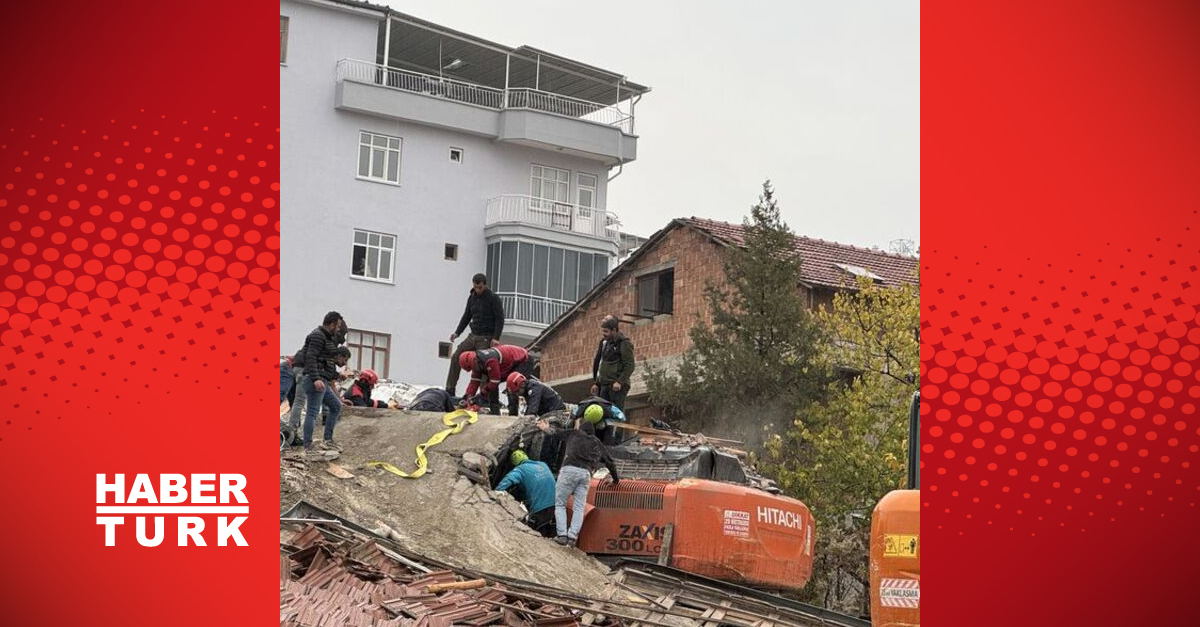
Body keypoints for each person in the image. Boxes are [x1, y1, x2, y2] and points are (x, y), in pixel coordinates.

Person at [536, 419, 620, 546]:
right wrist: (616, 479)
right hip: (586, 474)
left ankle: (562, 535)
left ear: (581, 428)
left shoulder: (574, 434)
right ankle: (572, 537)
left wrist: (545, 428)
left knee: (560, 504)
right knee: (579, 507)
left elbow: (556, 433)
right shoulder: (596, 442)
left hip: (568, 470)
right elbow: (610, 462)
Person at [446, 273, 505, 395]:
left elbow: (500, 318)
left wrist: (496, 338)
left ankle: (483, 395)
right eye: (476, 287)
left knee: (482, 363)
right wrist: (457, 332)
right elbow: (467, 316)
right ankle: (450, 389)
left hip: (486, 337)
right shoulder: (472, 297)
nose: (478, 290)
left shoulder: (493, 298)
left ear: (485, 285)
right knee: (456, 356)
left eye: (480, 287)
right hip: (473, 335)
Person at [299, 311, 347, 452]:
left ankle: (328, 440)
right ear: (332, 324)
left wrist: (337, 376)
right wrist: (315, 379)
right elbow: (310, 357)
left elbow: (327, 363)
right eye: (337, 326)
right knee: (313, 412)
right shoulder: (318, 336)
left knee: (336, 407)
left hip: (322, 380)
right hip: (315, 380)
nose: (338, 330)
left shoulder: (327, 339)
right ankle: (308, 446)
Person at [494, 449, 557, 538]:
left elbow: (508, 479)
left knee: (531, 534)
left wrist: (496, 491)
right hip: (557, 506)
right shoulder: (542, 464)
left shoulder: (520, 469)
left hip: (540, 508)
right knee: (549, 534)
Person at [461, 344, 529, 415]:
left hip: (522, 360)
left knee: (513, 385)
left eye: (472, 367)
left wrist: (482, 394)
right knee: (491, 387)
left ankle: (513, 416)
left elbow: (495, 382)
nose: (473, 370)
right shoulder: (476, 363)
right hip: (507, 365)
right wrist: (467, 398)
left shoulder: (490, 360)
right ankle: (495, 413)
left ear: (474, 361)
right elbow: (474, 382)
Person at [591, 316, 635, 411]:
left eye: (606, 331)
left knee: (615, 413)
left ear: (614, 330)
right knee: (602, 412)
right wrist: (597, 383)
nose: (604, 334)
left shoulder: (624, 343)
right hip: (604, 385)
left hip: (616, 386)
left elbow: (630, 365)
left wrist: (619, 382)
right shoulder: (604, 343)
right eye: (603, 331)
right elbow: (602, 364)